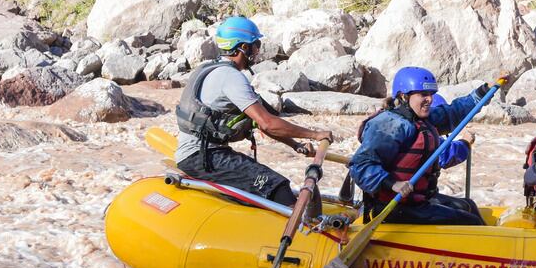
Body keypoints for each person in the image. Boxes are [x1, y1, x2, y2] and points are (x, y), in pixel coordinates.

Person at [174, 16, 333, 207]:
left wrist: (295, 145)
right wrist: (315, 134)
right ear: (242, 47)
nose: (257, 51)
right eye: (255, 45)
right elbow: (268, 123)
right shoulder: (231, 78)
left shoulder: (211, 69)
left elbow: (261, 123)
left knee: (268, 186)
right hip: (205, 158)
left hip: (201, 155)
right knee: (277, 188)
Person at [349, 66, 489, 226]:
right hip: (392, 207)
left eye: (431, 94)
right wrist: (393, 184)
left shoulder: (422, 119)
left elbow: (454, 112)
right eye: (423, 94)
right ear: (403, 96)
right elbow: (360, 166)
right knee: (471, 222)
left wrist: (484, 91)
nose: (429, 99)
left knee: (468, 206)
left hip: (418, 201)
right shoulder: (390, 125)